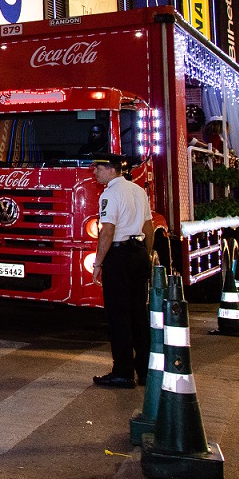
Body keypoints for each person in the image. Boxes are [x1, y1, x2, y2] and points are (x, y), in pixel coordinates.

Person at [90, 154, 154, 389]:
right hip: (138, 252)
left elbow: (107, 230)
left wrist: (98, 263)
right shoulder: (138, 190)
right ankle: (145, 371)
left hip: (119, 256)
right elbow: (149, 225)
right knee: (138, 313)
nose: (95, 173)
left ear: (110, 170)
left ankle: (123, 371)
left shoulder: (110, 194)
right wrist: (146, 254)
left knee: (118, 315)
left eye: (98, 169)